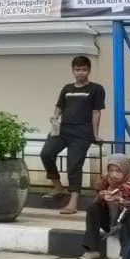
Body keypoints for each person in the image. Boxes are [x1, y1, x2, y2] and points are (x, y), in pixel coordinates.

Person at [39, 55, 106, 215]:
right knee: (46, 153)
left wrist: (95, 134)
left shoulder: (96, 89)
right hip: (62, 129)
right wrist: (55, 116)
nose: (80, 72)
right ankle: (58, 187)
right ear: (73, 71)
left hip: (82, 132)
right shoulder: (67, 88)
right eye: (77, 69)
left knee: (74, 165)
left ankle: (73, 201)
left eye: (84, 69)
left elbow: (96, 112)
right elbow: (59, 106)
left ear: (89, 70)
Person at [77, 153, 130, 259]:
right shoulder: (105, 180)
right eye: (111, 171)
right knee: (93, 208)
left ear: (125, 170)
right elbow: (97, 203)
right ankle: (92, 250)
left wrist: (121, 200)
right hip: (112, 221)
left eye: (118, 171)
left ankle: (125, 254)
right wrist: (100, 197)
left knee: (127, 211)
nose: (114, 175)